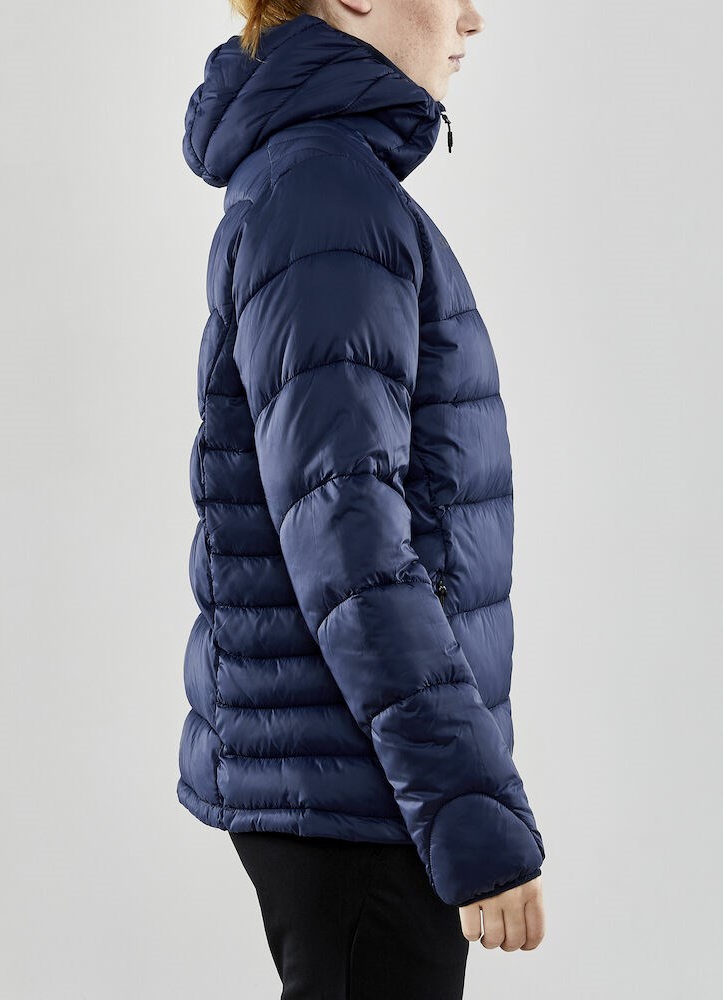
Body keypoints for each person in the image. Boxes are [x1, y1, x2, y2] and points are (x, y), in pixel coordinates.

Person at [178, 1, 547, 995]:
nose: (472, 17)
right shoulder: (327, 198)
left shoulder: (323, 184)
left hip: (360, 777)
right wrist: (468, 806)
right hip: (367, 791)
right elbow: (349, 539)